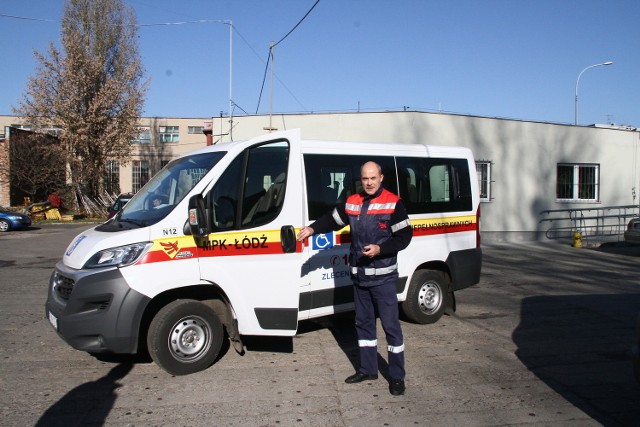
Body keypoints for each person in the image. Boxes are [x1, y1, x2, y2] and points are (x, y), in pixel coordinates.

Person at [297, 161, 413, 396]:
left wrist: (381, 249)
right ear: (361, 180)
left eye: (373, 178)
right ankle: (368, 369)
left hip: (383, 279)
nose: (369, 182)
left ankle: (397, 376)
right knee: (363, 325)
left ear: (381, 177)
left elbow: (404, 236)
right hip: (360, 278)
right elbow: (332, 219)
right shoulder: (353, 202)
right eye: (365, 179)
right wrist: (312, 229)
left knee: (391, 328)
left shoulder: (393, 203)